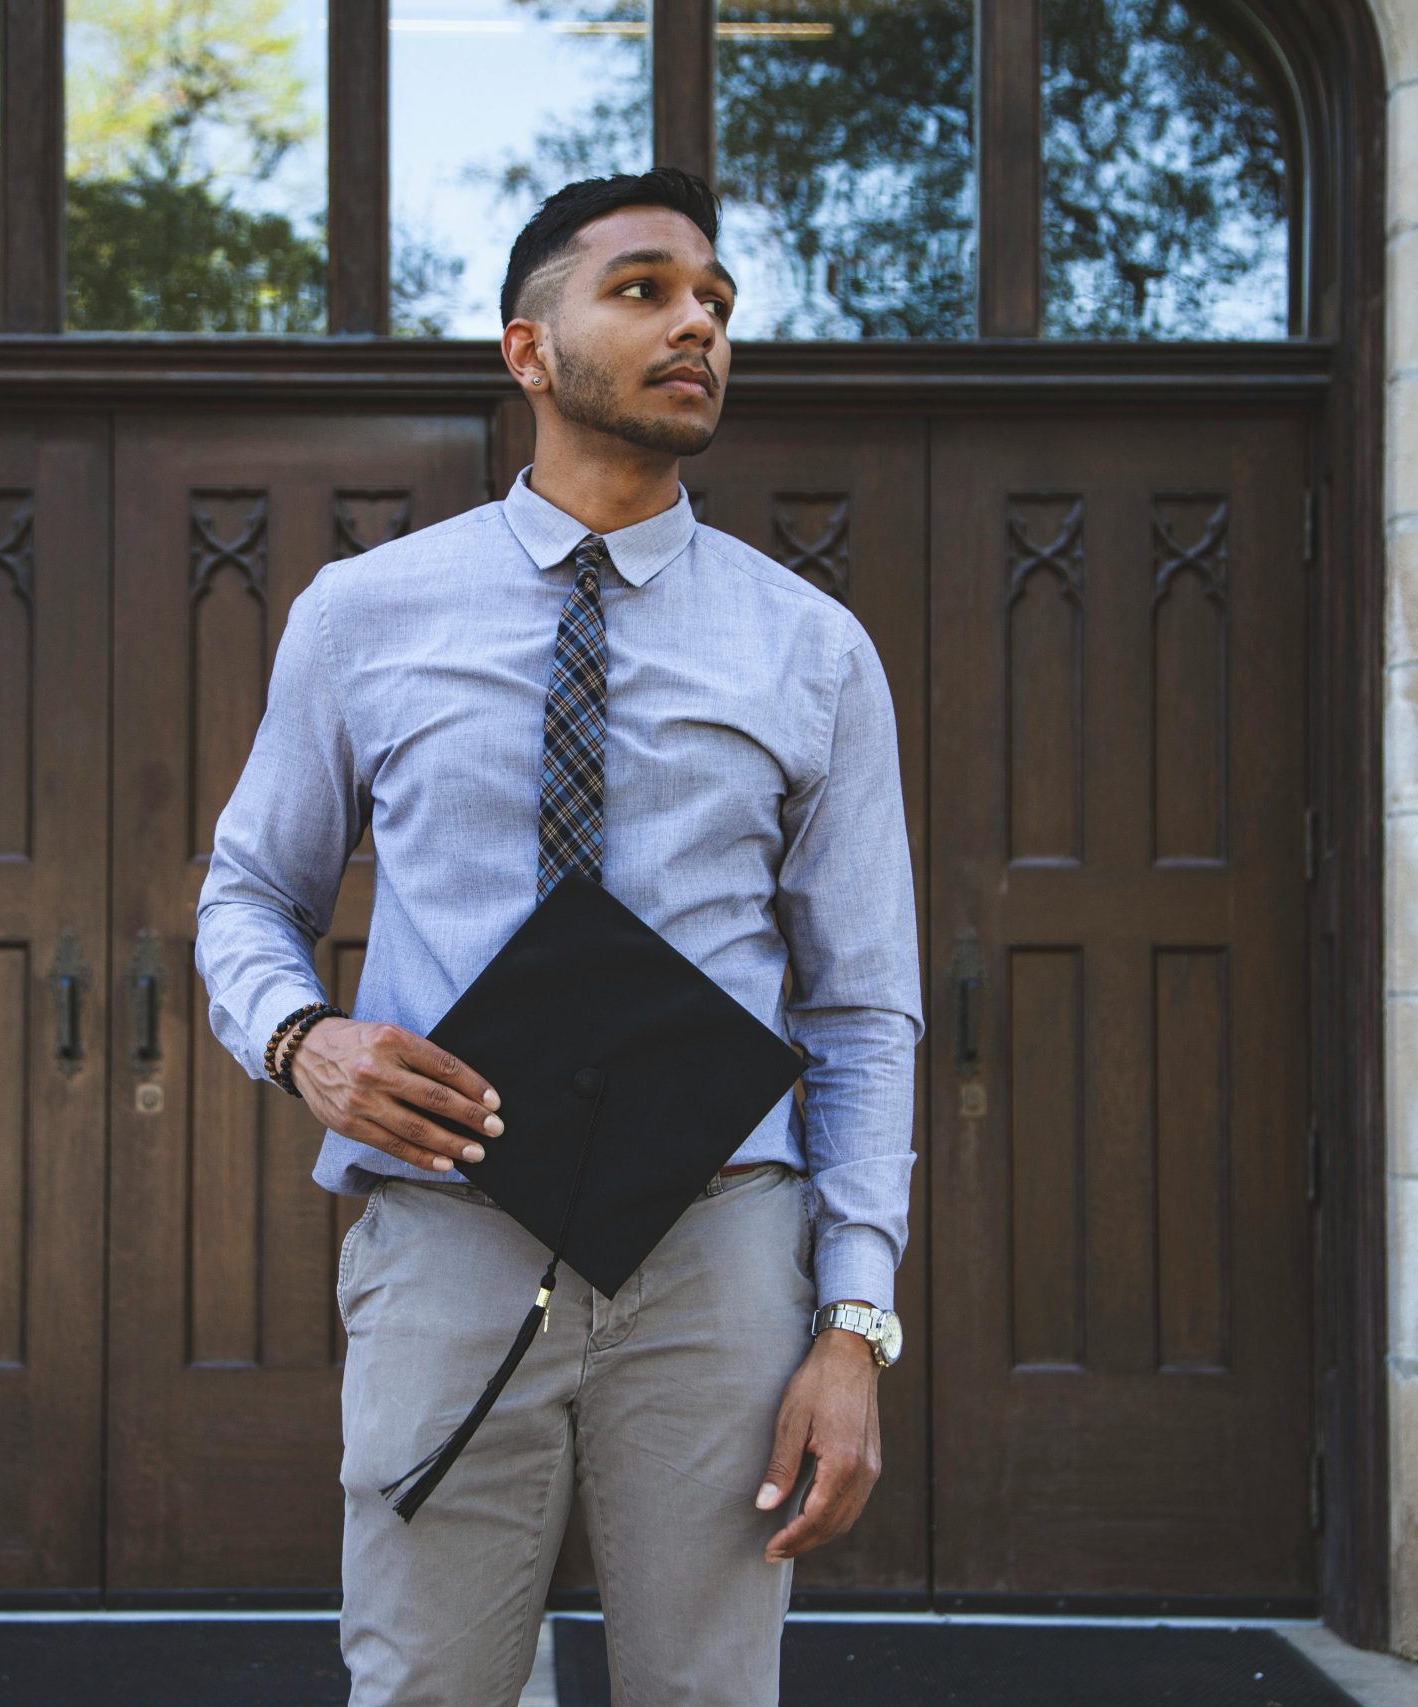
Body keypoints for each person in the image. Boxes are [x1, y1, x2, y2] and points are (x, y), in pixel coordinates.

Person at [193, 164, 923, 1706]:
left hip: (721, 1248)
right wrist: (302, 1040)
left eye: (717, 301)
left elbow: (862, 1010)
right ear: (528, 350)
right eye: (646, 290)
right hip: (450, 1229)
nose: (698, 325)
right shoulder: (364, 614)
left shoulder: (815, 652)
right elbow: (246, 895)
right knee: (427, 1687)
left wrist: (854, 1324)